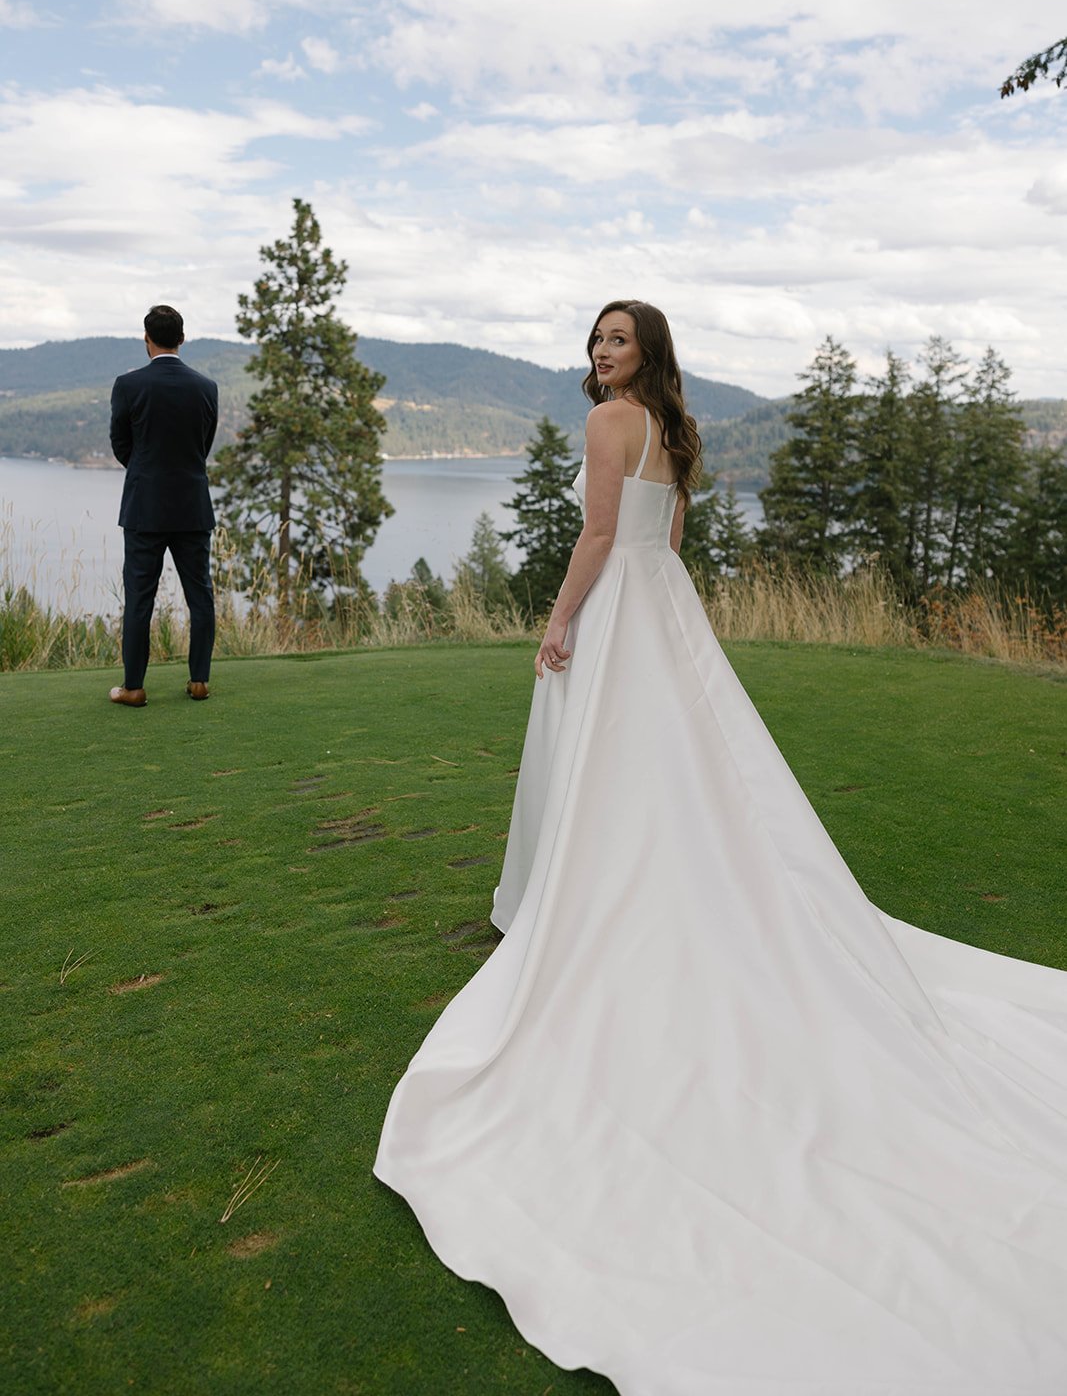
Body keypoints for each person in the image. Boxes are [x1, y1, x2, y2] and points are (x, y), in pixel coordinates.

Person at [375, 301, 1067, 1394]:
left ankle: (607, 909)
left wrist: (558, 620)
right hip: (667, 611)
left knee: (617, 769)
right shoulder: (672, 428)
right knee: (678, 772)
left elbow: (599, 537)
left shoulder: (611, 423)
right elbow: (667, 541)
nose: (602, 354)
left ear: (643, 350)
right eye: (596, 340)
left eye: (617, 339)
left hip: (617, 612)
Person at [108, 304, 219, 708]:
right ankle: (200, 681)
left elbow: (121, 443)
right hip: (192, 505)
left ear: (146, 339)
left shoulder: (128, 384)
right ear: (182, 339)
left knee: (139, 598)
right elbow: (203, 447)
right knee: (200, 596)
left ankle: (134, 687)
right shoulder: (206, 387)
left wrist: (144, 470)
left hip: (144, 508)